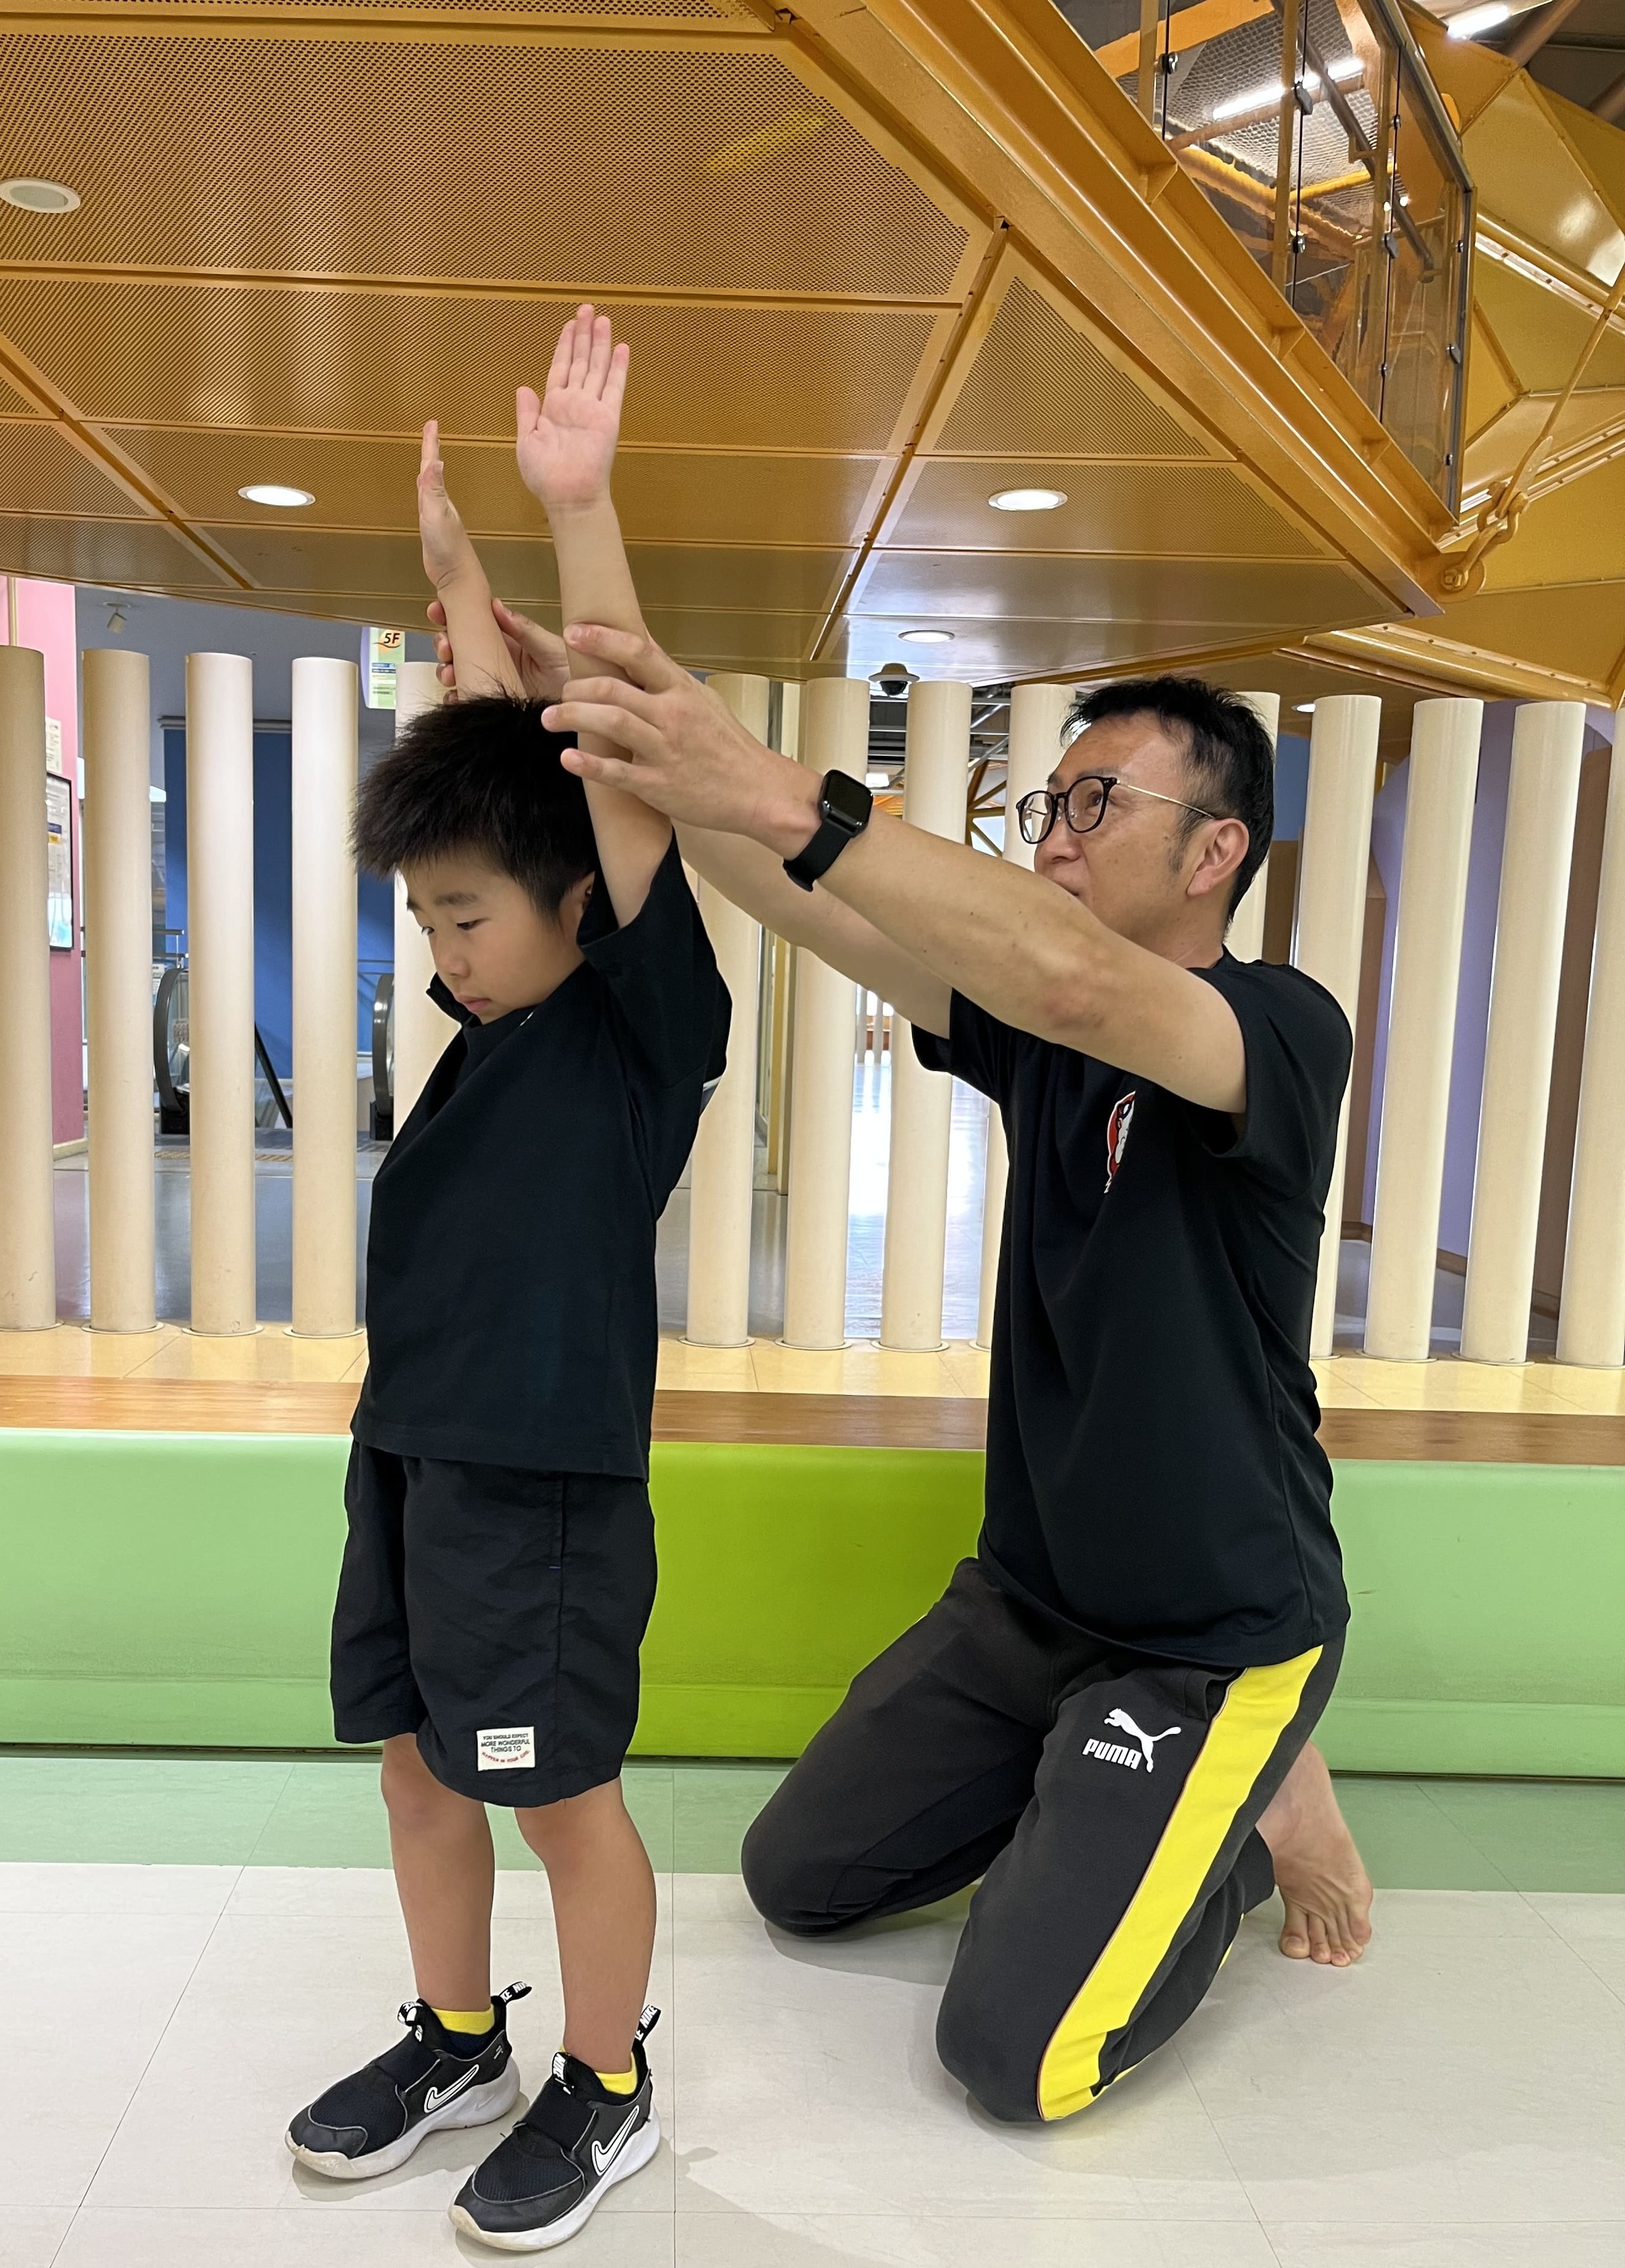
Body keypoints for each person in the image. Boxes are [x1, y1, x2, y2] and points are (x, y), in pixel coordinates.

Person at [528, 550, 1375, 2121]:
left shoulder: (1276, 1029)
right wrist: (628, 731)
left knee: (1016, 2060)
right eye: (1050, 802)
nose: (1053, 834)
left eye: (1097, 803)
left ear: (1217, 851)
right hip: (1029, 1608)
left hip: (1210, 1636)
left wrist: (774, 782)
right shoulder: (1038, 1035)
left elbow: (1076, 977)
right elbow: (797, 892)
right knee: (800, 1879)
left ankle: (1245, 1814)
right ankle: (1144, 1803)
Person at [285, 312, 730, 2240]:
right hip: (412, 1452)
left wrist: (577, 513)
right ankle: (461, 2037)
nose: (444, 951)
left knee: (558, 1798)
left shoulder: (642, 1035)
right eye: (425, 920)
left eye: (466, 916)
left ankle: (608, 2085)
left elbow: (606, 766)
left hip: (541, 1491)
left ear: (577, 903)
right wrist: (460, 589)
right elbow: (506, 772)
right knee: (415, 1770)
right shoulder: (498, 1025)